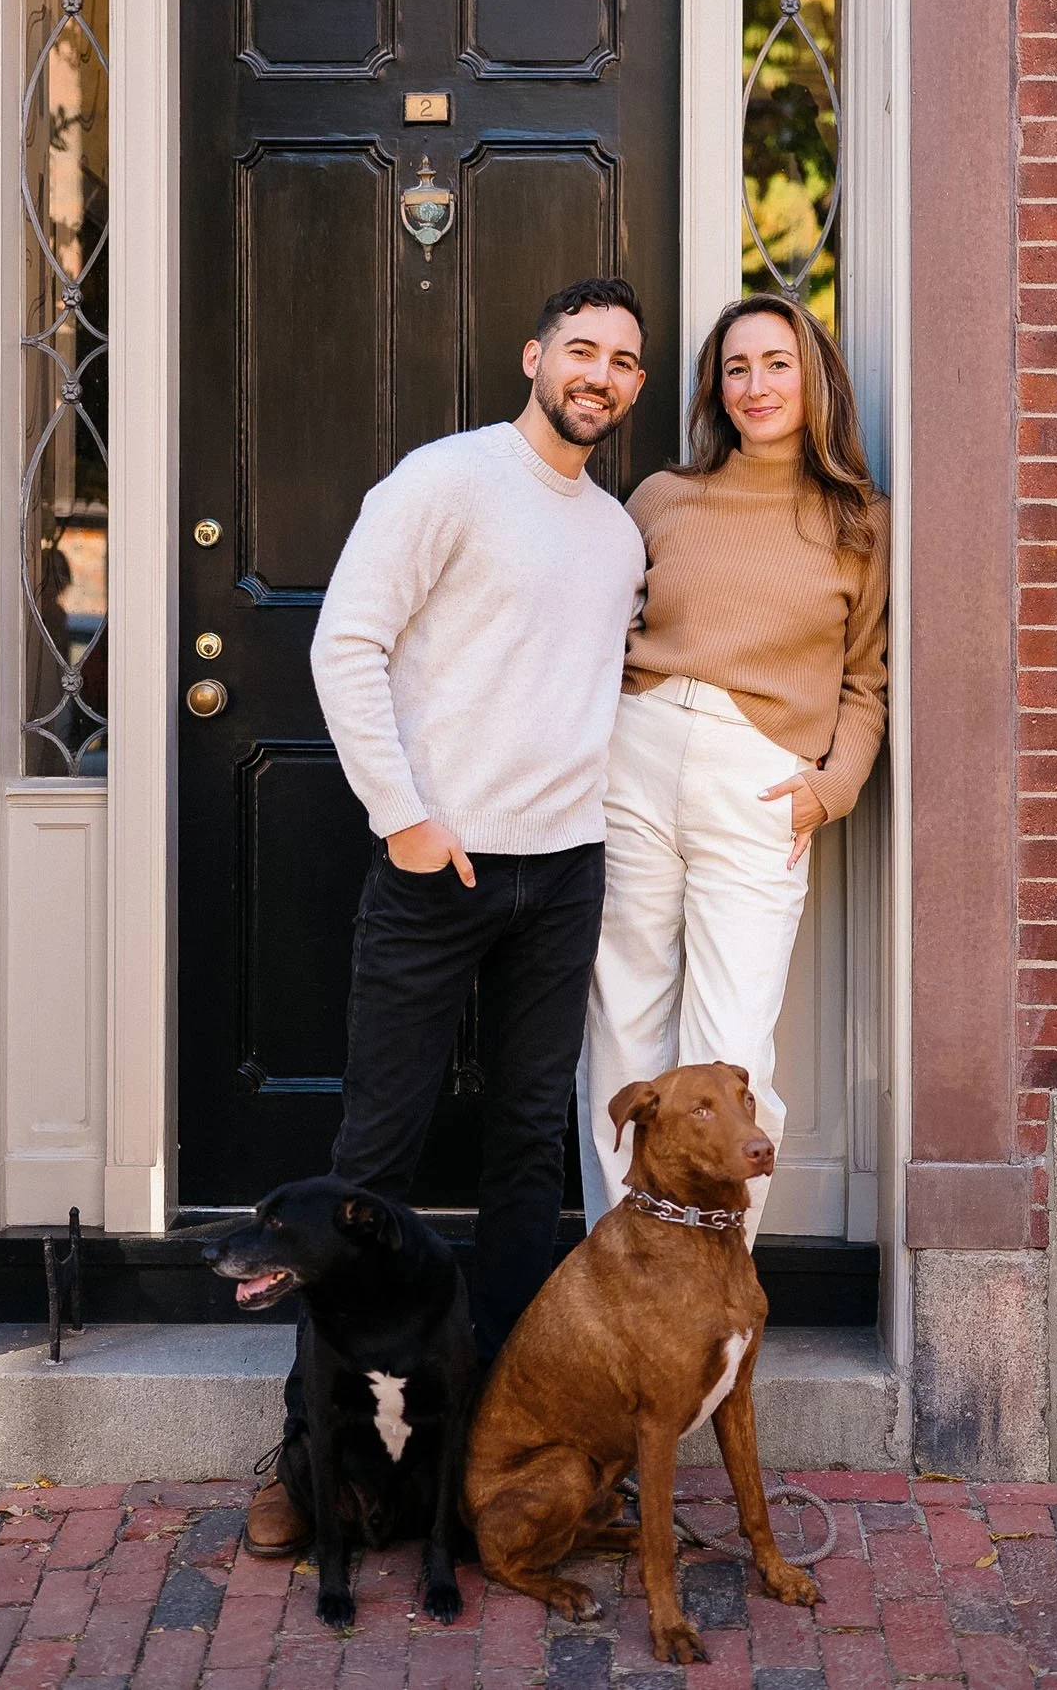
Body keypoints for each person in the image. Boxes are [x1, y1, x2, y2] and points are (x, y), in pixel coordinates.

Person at [246, 276, 650, 1557]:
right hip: (437, 868)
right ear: (533, 355)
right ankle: (305, 1454)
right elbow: (346, 643)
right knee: (373, 1157)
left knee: (530, 1151)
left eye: (624, 361)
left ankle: (505, 1440)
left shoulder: (618, 534)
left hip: (563, 871)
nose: (600, 373)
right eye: (580, 349)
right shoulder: (446, 480)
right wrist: (404, 815)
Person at [578, 292, 889, 1245]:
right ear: (718, 386)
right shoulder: (662, 500)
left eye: (777, 363)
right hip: (637, 756)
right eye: (737, 367)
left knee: (731, 1049)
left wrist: (831, 791)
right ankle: (620, 1265)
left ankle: (710, 1285)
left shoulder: (858, 523)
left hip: (757, 783)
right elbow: (594, 636)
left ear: (814, 379)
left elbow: (866, 684)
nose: (756, 386)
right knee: (622, 1024)